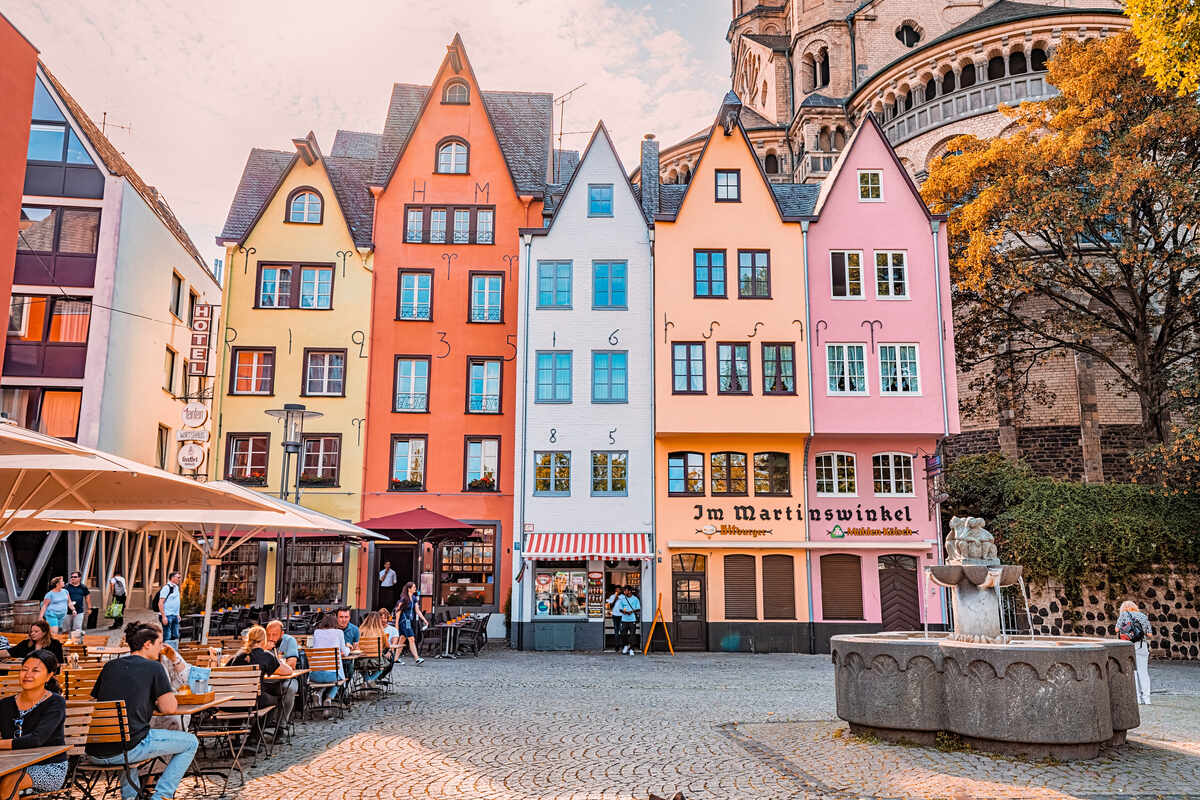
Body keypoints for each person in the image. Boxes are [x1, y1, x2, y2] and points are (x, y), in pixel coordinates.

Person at [87, 622, 198, 800]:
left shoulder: (110, 666)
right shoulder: (154, 667)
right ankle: (162, 795)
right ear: (147, 644)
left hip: (95, 751)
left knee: (127, 738)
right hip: (127, 750)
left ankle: (130, 797)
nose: (161, 648)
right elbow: (169, 708)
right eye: (159, 643)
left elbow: (94, 701)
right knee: (191, 742)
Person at [0, 650, 68, 799]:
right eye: (24, 669)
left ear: (49, 675)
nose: (28, 674)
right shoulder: (5, 705)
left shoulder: (55, 703)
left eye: (35, 670)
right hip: (10, 764)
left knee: (9, 782)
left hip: (49, 767)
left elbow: (36, 739)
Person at [229, 625, 289, 736]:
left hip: (230, 703)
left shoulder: (237, 656)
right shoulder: (265, 656)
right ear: (264, 640)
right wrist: (277, 658)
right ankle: (254, 736)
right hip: (253, 702)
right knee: (275, 701)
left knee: (241, 698)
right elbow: (287, 671)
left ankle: (233, 739)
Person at [264, 620, 299, 731]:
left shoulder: (289, 641)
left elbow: (292, 664)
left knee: (289, 688)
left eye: (274, 634)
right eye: (268, 634)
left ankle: (282, 726)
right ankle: (258, 728)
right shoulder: (262, 643)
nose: (271, 637)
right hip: (266, 681)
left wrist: (271, 668)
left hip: (286, 679)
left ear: (282, 634)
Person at [1118, 600, 1153, 705]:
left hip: (1128, 647)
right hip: (1141, 647)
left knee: (1133, 673)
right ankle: (1147, 699)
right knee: (1144, 673)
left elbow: (1117, 631)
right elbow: (1150, 634)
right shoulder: (1142, 617)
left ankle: (1137, 698)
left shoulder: (1123, 617)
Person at [310, 614, 348, 709]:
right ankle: (328, 698)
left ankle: (318, 693)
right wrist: (349, 648)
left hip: (315, 675)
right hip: (332, 675)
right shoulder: (339, 633)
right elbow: (345, 651)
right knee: (339, 679)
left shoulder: (316, 632)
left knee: (325, 676)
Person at [0, 619, 64, 663]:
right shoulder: (25, 644)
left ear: (44, 632)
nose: (32, 633)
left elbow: (60, 663)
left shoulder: (55, 644)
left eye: (36, 632)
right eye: (31, 631)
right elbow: (8, 652)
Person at [394, 582, 427, 665]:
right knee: (411, 639)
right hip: (404, 621)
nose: (415, 589)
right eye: (414, 587)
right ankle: (417, 658)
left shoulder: (414, 598)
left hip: (408, 621)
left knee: (402, 640)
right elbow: (397, 612)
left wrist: (424, 619)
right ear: (409, 589)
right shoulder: (404, 599)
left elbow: (417, 610)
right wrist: (396, 625)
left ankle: (395, 658)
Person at [356, 612, 391, 688]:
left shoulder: (360, 630)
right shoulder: (380, 631)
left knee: (362, 669)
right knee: (381, 668)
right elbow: (387, 645)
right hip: (376, 660)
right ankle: (369, 681)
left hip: (361, 660)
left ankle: (367, 681)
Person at [157, 571, 183, 649]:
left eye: (180, 577)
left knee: (175, 635)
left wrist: (177, 614)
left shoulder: (176, 588)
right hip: (167, 615)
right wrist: (163, 616)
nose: (179, 579)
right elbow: (160, 603)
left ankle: (174, 653)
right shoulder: (166, 588)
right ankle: (166, 655)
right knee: (167, 636)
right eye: (178, 577)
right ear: (172, 578)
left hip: (174, 615)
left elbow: (176, 601)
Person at [615, 586, 641, 656]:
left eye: (625, 590)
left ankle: (632, 649)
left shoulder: (635, 599)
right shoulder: (623, 599)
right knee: (623, 634)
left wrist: (631, 611)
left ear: (629, 591)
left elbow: (638, 608)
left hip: (632, 619)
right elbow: (620, 608)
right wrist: (624, 612)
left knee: (632, 635)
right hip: (624, 619)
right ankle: (626, 646)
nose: (624, 592)